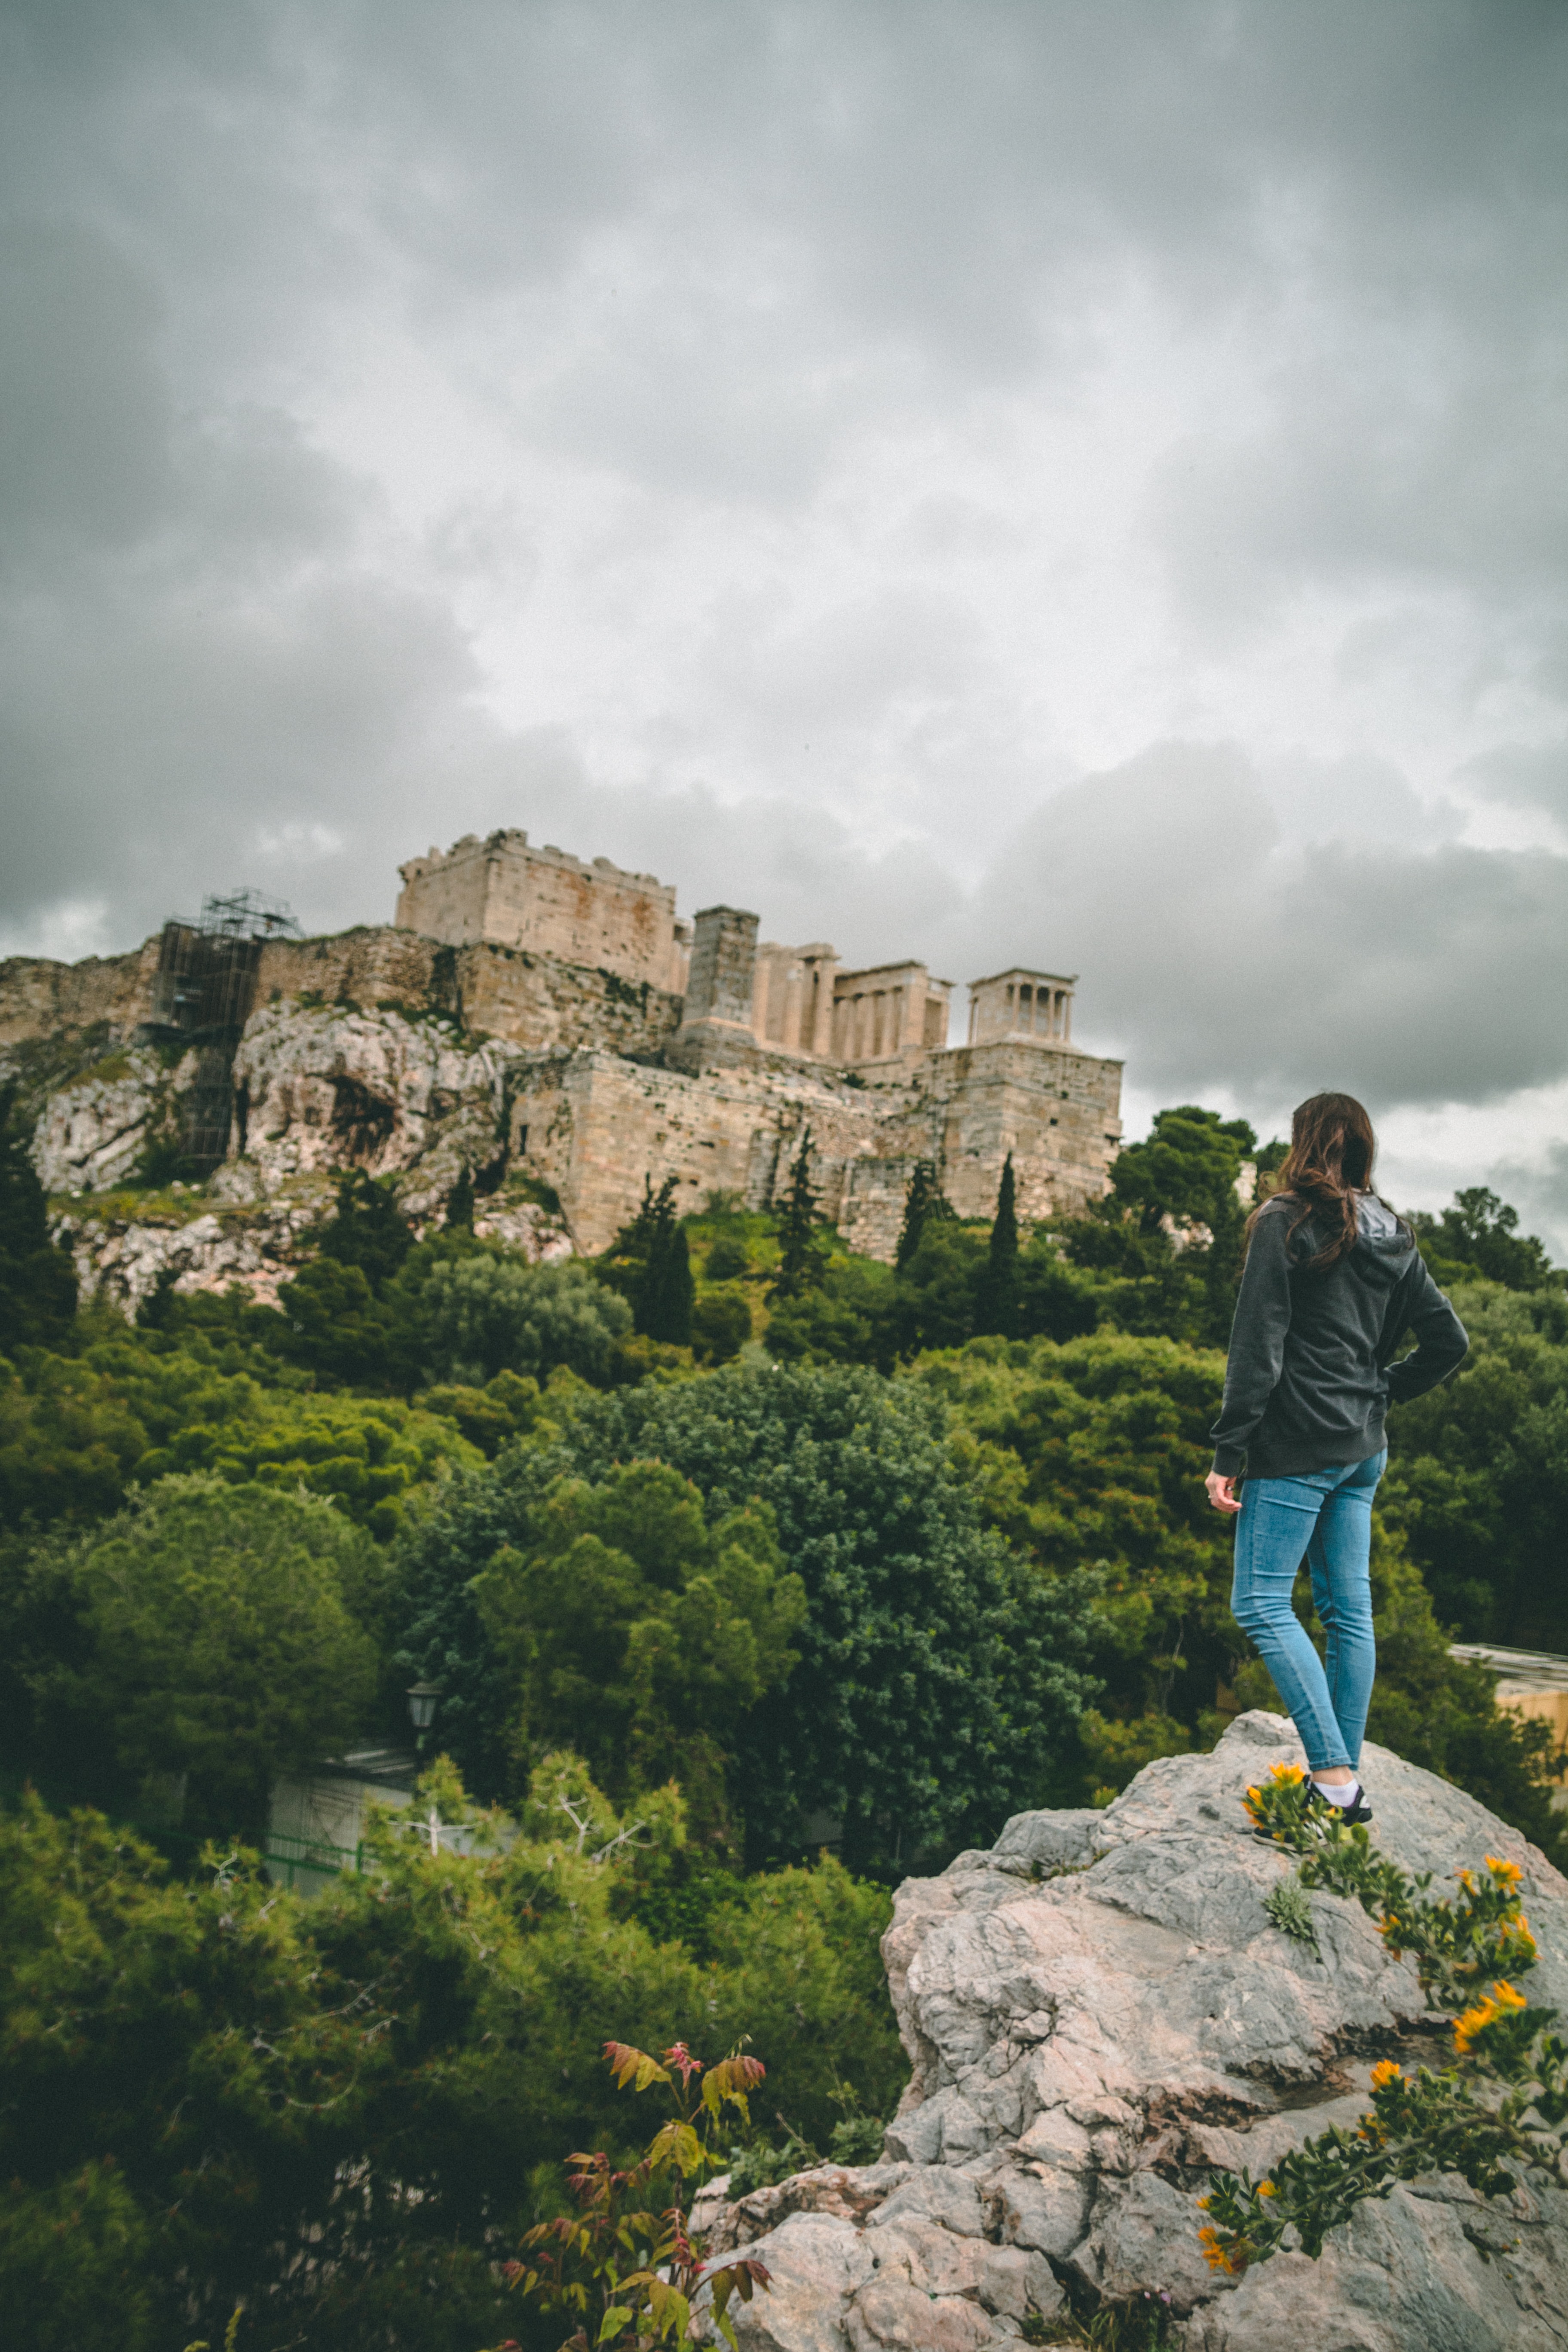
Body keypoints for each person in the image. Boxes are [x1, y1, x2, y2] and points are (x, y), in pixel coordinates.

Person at [1207, 1092, 1467, 1821]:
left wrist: (1230, 1448)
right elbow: (1451, 1343)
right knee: (1349, 1614)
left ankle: (1332, 1776)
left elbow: (1256, 1345)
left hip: (1297, 1444)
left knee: (1260, 1602)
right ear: (1362, 1149)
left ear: (1302, 1142)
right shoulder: (1396, 1233)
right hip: (1363, 1450)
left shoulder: (1283, 1221)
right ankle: (1337, 1786)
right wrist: (1380, 1393)